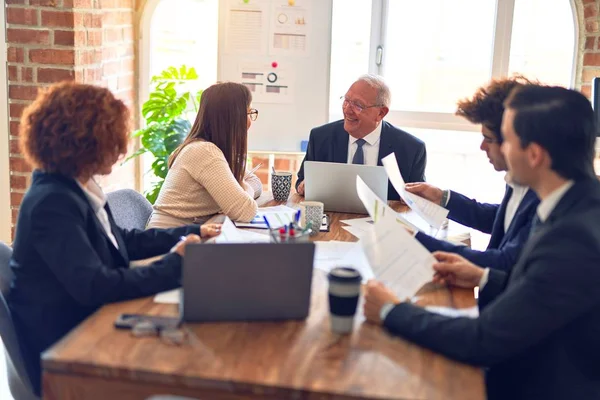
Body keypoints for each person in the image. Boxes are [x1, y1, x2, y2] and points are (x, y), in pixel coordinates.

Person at [364, 85, 600, 399]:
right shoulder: (572, 203)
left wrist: (390, 311)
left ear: (534, 154)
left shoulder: (573, 238)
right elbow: (545, 292)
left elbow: (482, 340)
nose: (490, 148)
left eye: (506, 137)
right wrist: (484, 276)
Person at [8, 82, 222, 396]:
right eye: (113, 137)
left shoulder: (76, 186)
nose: (120, 148)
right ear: (85, 142)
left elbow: (120, 241)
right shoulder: (52, 203)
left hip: (92, 325)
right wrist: (173, 266)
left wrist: (189, 232)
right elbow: (97, 285)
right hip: (73, 350)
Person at [405, 76, 538, 271]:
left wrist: (418, 240)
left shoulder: (543, 195)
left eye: (488, 139)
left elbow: (504, 261)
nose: (482, 147)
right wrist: (442, 198)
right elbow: (502, 219)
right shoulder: (518, 179)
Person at [147, 82, 263, 228]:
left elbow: (256, 183)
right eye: (249, 113)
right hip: (168, 243)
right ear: (232, 118)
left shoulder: (215, 149)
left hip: (192, 235)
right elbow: (246, 211)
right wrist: (239, 194)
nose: (249, 122)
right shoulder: (204, 152)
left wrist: (241, 192)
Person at [295, 74, 426, 200]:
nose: (347, 110)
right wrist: (304, 186)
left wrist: (414, 199)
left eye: (358, 105)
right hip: (332, 219)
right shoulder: (321, 138)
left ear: (381, 113)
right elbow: (302, 181)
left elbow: (418, 199)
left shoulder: (411, 149)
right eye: (346, 100)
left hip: (384, 220)